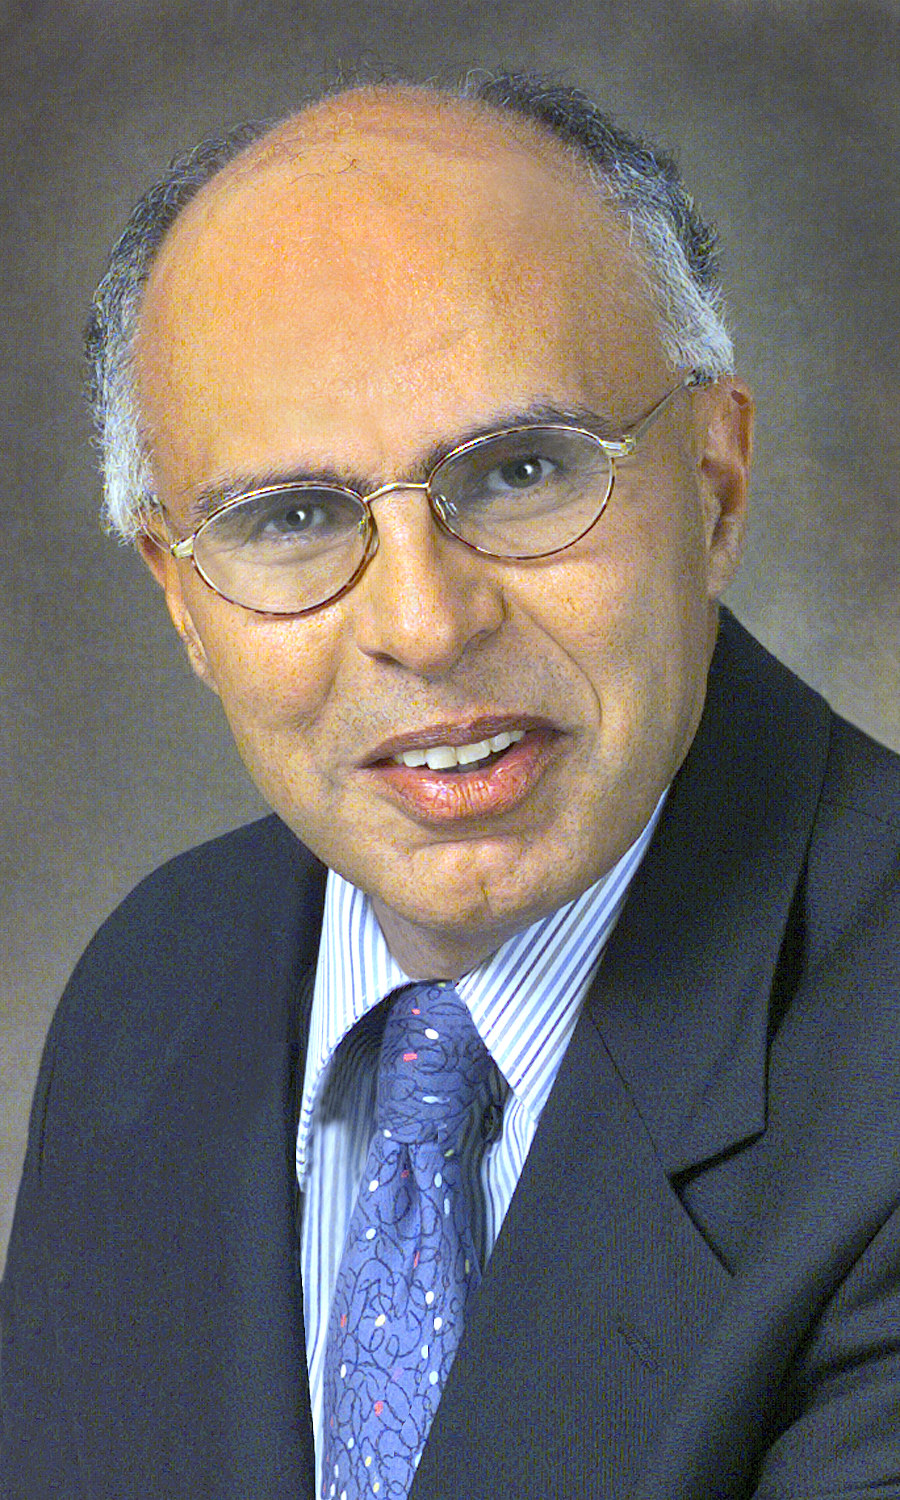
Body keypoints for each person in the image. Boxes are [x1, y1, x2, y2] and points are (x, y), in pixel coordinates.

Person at [3, 72, 900, 1500]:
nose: (424, 625)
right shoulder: (149, 991)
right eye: (292, 516)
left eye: (524, 470)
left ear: (716, 481)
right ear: (183, 598)